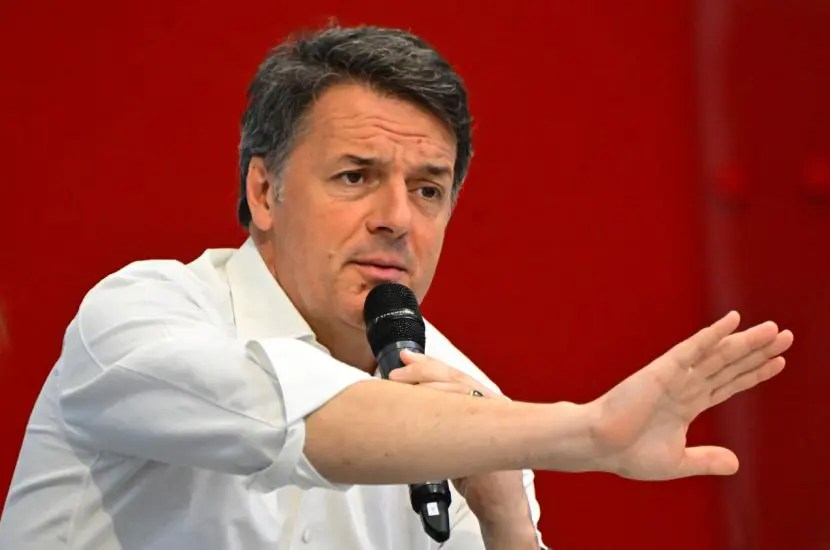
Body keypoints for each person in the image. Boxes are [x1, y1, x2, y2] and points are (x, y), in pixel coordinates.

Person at [0, 24, 793, 550]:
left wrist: (507, 522)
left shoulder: (474, 406)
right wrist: (586, 432)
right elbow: (296, 422)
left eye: (428, 189)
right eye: (356, 176)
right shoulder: (138, 317)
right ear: (265, 192)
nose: (397, 220)